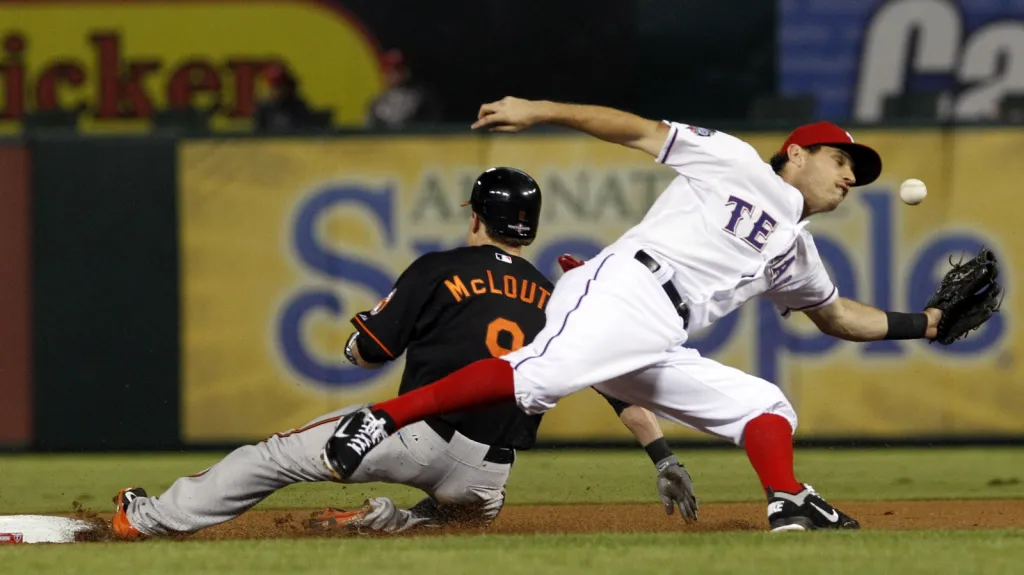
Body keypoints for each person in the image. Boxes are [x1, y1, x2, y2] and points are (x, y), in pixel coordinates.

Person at [322, 96, 950, 532]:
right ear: (797, 153)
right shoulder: (735, 161)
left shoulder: (799, 252)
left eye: (856, 174)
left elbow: (840, 318)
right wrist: (540, 111)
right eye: (841, 161)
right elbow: (635, 129)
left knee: (767, 407)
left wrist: (926, 324)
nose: (849, 178)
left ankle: (786, 500)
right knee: (531, 378)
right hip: (628, 288)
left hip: (658, 334)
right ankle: (379, 419)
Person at [111, 167, 697, 540]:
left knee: (271, 458)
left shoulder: (438, 269)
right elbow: (622, 392)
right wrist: (664, 458)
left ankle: (147, 520)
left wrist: (357, 339)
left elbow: (368, 354)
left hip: (416, 436)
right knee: (455, 525)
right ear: (530, 230)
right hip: (487, 478)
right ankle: (388, 522)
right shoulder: (561, 298)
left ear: (474, 216)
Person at [365, 49, 443, 128]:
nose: (394, 75)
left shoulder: (421, 98)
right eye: (390, 71)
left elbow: (433, 126)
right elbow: (369, 132)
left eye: (398, 70)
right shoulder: (378, 104)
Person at [254, 64, 315, 131]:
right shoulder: (265, 110)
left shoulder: (298, 108)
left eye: (280, 86)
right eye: (274, 87)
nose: (277, 91)